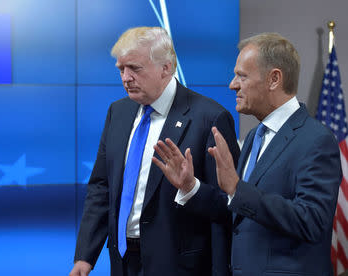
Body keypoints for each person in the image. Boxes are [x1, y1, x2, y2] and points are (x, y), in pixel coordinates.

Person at [155, 32, 342, 275]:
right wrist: (191, 186)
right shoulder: (256, 136)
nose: (232, 84)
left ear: (274, 79)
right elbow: (239, 209)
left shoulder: (316, 140)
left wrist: (236, 188)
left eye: (241, 76)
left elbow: (311, 221)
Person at [70, 26, 239, 276]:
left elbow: (229, 204)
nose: (126, 77)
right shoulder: (118, 113)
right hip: (123, 262)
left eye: (135, 68)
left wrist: (190, 187)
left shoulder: (209, 118)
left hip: (180, 266)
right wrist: (85, 256)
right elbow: (101, 188)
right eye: (121, 69)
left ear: (166, 68)